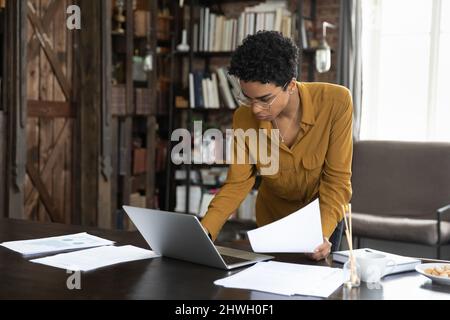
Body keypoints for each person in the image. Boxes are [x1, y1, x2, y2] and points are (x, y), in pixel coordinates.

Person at [201, 31, 353, 261]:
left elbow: (337, 181)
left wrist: (319, 233)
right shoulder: (243, 118)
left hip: (322, 222)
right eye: (247, 98)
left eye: (264, 99)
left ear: (291, 85)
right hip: (272, 224)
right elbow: (238, 183)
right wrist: (205, 231)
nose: (254, 109)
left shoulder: (336, 103)